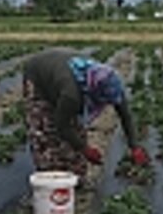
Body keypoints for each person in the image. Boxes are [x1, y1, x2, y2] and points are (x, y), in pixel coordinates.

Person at [23, 48, 149, 179]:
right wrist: (85, 149)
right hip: (38, 75)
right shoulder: (71, 94)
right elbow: (62, 126)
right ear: (94, 93)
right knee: (46, 131)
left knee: (75, 131)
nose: (105, 105)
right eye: (103, 100)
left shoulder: (111, 84)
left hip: (60, 73)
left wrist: (134, 146)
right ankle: (49, 176)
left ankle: (75, 175)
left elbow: (125, 115)